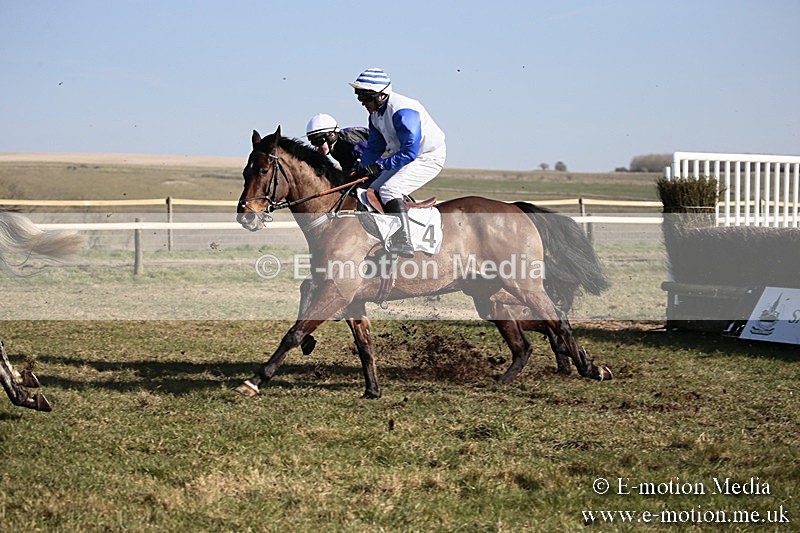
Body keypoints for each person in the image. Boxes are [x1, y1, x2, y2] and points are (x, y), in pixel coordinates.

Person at [349, 68, 446, 258]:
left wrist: (380, 166)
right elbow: (374, 148)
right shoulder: (375, 115)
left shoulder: (403, 112)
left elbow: (409, 152)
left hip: (428, 156)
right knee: (372, 190)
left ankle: (404, 240)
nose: (362, 102)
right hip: (406, 156)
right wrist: (359, 168)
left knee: (389, 190)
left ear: (382, 96)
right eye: (359, 97)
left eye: (366, 98)